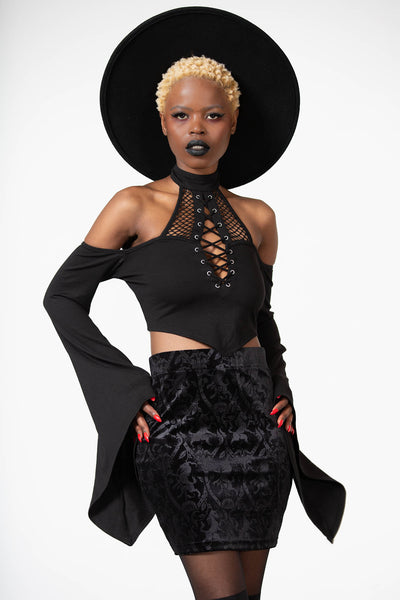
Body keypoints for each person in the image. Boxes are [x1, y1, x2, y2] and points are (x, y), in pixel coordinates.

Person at [43, 8, 346, 600]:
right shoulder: (132, 206)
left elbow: (262, 318)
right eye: (181, 115)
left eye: (212, 114)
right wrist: (125, 393)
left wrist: (282, 394)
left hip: (258, 421)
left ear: (233, 123)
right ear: (163, 124)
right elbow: (62, 298)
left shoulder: (260, 218)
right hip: (179, 418)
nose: (196, 127)